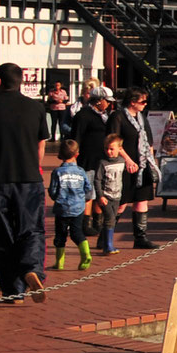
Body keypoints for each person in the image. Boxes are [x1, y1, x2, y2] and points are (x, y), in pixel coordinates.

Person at [0, 62, 49, 302]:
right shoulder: (35, 107)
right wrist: (33, 166)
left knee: (2, 233)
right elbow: (40, 146)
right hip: (29, 177)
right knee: (32, 228)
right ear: (21, 82)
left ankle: (12, 290)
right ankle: (32, 269)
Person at [115, 88, 158, 248]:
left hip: (142, 164)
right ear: (132, 102)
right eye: (142, 102)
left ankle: (140, 238)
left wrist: (151, 162)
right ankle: (106, 234)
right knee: (121, 202)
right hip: (125, 165)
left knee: (141, 200)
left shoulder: (142, 118)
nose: (144, 105)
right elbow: (114, 141)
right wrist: (127, 159)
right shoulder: (118, 117)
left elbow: (150, 141)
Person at [48, 139, 94, 270]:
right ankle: (86, 253)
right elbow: (88, 187)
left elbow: (52, 191)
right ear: (77, 154)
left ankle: (59, 262)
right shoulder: (81, 171)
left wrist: (56, 198)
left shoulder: (57, 172)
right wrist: (81, 198)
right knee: (77, 232)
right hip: (78, 208)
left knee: (60, 235)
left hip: (62, 208)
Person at [94, 135, 128, 255]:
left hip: (117, 195)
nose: (109, 151)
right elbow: (97, 180)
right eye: (106, 149)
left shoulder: (122, 161)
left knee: (112, 220)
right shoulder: (102, 163)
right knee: (110, 218)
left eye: (112, 149)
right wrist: (100, 196)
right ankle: (108, 246)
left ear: (119, 149)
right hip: (106, 196)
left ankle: (102, 241)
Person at [70, 87, 116, 174]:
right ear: (98, 100)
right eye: (107, 101)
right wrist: (73, 159)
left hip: (102, 161)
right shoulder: (83, 115)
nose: (109, 104)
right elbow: (76, 137)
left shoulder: (105, 115)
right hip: (87, 163)